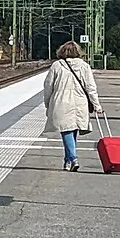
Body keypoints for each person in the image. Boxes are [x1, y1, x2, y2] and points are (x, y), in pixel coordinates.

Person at [42, 40, 103, 171]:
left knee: (66, 130)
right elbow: (91, 87)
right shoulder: (84, 66)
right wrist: (97, 105)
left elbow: (48, 86)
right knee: (72, 129)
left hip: (62, 101)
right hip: (80, 102)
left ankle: (73, 158)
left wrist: (47, 103)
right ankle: (68, 160)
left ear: (62, 51)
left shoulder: (57, 66)